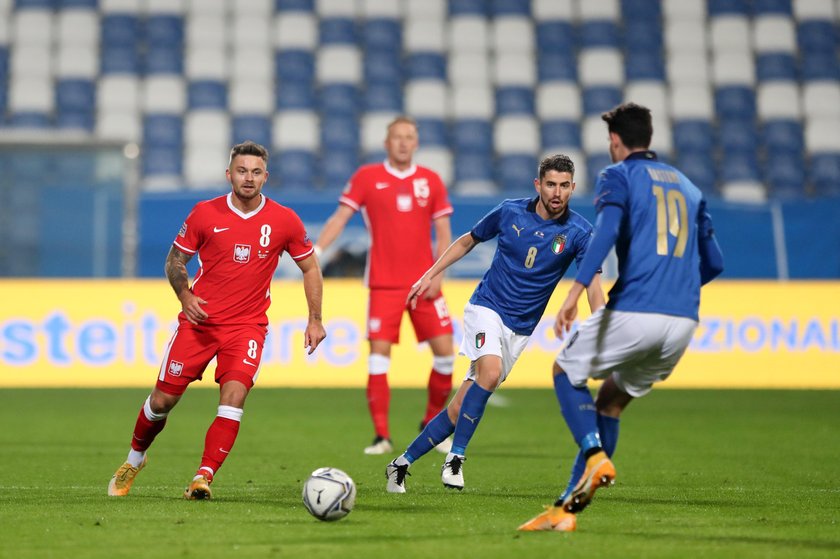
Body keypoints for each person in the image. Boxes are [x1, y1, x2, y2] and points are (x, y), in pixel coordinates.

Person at [518, 103, 724, 532]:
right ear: (648, 137)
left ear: (615, 142)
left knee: (563, 369)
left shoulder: (619, 176)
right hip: (683, 321)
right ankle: (564, 513)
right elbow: (715, 262)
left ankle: (595, 455)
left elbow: (606, 232)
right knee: (610, 401)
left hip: (636, 308)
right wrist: (676, 290)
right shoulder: (689, 187)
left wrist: (574, 292)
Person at [107, 141, 326, 500]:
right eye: (242, 170)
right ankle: (135, 458)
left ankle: (202, 477)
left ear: (266, 177)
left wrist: (315, 319)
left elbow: (310, 267)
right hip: (199, 324)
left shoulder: (284, 219)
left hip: (247, 328)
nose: (249, 178)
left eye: (256, 172)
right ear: (229, 174)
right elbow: (174, 261)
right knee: (161, 401)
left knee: (234, 396)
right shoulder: (204, 213)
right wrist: (186, 295)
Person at [385, 153, 605, 495]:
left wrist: (602, 326)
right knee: (489, 372)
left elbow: (592, 283)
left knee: (459, 408)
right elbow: (467, 240)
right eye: (550, 184)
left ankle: (400, 464)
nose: (557, 192)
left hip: (520, 329)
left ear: (573, 187)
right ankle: (456, 458)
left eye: (564, 185)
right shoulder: (509, 211)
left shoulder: (579, 232)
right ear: (538, 185)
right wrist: (431, 274)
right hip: (486, 308)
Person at [315, 116, 456, 455]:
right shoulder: (367, 177)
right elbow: (340, 217)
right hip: (384, 285)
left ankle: (430, 424)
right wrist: (317, 252)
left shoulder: (431, 181)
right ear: (386, 143)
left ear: (417, 142)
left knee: (447, 355)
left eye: (409, 137)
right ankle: (381, 436)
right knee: (378, 359)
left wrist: (439, 272)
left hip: (424, 283)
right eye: (397, 137)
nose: (404, 142)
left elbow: (444, 232)